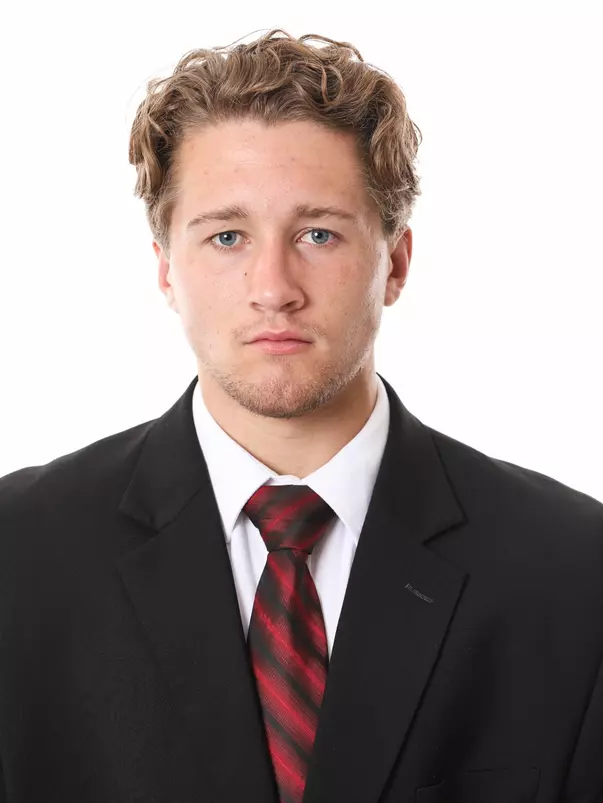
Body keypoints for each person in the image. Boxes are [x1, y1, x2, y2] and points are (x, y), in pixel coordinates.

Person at [0, 26, 602, 803]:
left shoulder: (573, 573)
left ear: (395, 263)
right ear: (165, 269)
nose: (273, 285)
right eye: (226, 236)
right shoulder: (18, 558)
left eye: (318, 233)